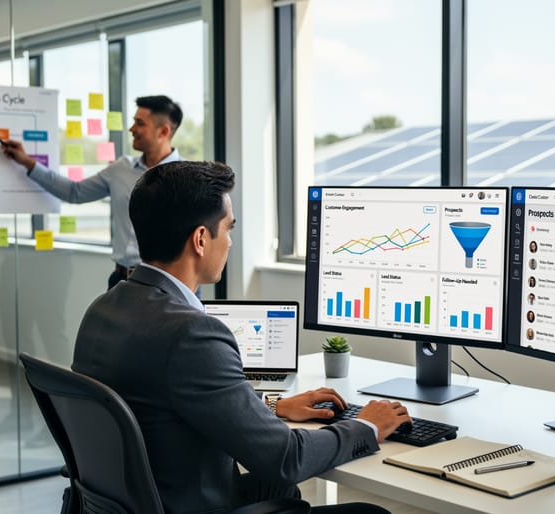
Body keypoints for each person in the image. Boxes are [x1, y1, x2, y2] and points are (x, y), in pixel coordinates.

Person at [72, 161, 408, 513]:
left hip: (150, 498)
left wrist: (274, 408)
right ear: (201, 239)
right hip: (191, 502)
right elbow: (288, 458)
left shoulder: (104, 308)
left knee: (278, 489)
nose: (230, 242)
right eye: (228, 230)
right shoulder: (192, 334)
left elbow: (165, 404)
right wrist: (367, 425)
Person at [0, 95, 184, 289]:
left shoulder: (187, 177)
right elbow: (74, 192)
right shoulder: (120, 169)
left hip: (168, 284)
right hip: (121, 281)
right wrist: (26, 162)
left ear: (163, 131)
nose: (131, 129)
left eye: (140, 123)